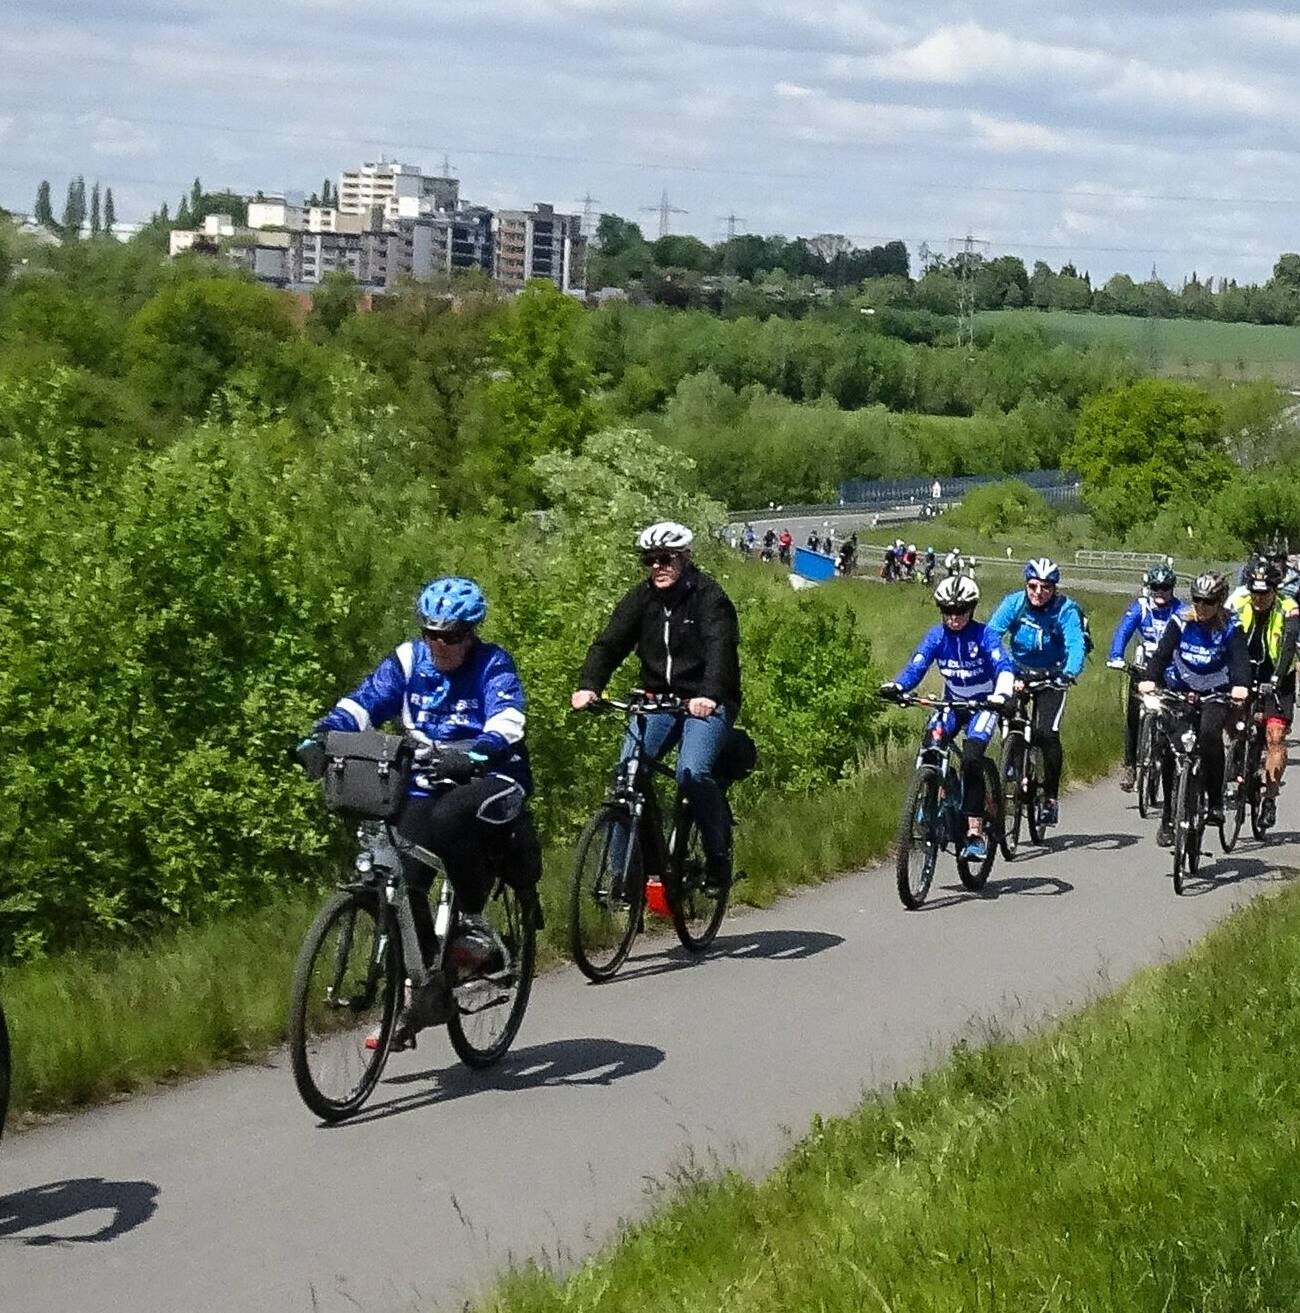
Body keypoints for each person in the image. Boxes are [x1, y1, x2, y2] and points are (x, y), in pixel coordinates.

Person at [301, 576, 541, 1043]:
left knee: (452, 818)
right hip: (427, 779)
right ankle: (428, 989)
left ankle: (474, 923)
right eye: (431, 633)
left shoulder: (493, 663)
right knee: (402, 875)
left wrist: (473, 752)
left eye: (451, 635)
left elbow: (509, 722)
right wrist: (322, 734)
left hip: (492, 775)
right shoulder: (409, 661)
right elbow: (364, 703)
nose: (440, 644)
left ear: (470, 633)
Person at [571, 521, 742, 896]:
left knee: (692, 773)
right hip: (656, 702)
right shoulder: (642, 599)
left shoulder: (709, 598)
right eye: (650, 560)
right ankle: (629, 878)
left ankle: (718, 857)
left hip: (705, 702)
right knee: (626, 777)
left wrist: (709, 694)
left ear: (684, 559)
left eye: (665, 559)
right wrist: (589, 685)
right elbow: (609, 644)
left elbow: (721, 649)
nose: (657, 567)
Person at [879, 576, 1015, 860]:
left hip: (983, 704)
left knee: (971, 758)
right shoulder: (936, 636)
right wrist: (899, 686)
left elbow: (1003, 665)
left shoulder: (984, 635)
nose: (954, 618)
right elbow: (917, 664)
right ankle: (936, 790)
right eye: (947, 611)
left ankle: (975, 831)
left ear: (972, 609)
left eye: (960, 611)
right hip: (952, 702)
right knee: (931, 743)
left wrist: (1002, 693)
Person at [1140, 572, 1249, 846]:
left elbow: (1239, 661)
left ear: (1220, 601)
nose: (1202, 607)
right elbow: (1162, 654)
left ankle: (1215, 803)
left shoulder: (1230, 626)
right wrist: (1150, 679)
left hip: (1215, 692)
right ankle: (1167, 816)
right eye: (1198, 600)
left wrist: (1241, 685)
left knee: (1210, 735)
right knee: (1168, 747)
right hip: (1180, 690)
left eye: (1209, 602)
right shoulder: (1181, 621)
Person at [987, 559, 1088, 827]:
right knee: (1002, 708)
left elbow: (1076, 643)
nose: (1038, 592)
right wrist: (1004, 666)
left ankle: (1050, 799)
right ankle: (1011, 758)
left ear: (1054, 588)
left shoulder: (1065, 610)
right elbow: (991, 635)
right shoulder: (1014, 603)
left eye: (1045, 587)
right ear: (1026, 584)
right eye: (1033, 586)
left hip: (1052, 674)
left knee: (1046, 734)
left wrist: (1068, 672)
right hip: (1018, 670)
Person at [1228, 560, 1299, 829]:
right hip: (1245, 673)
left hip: (1278, 677)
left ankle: (1269, 798)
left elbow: (1289, 646)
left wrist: (1277, 679)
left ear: (1275, 590)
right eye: (1255, 593)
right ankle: (1233, 770)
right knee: (1232, 722)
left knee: (1275, 737)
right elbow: (1226, 639)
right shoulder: (1239, 604)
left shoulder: (1288, 607)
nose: (1259, 599)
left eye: (1265, 593)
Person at [1106, 564, 1180, 792]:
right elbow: (1123, 632)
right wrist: (1116, 656)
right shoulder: (1140, 607)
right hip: (1142, 669)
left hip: (1170, 671)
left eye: (1165, 588)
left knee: (1173, 717)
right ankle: (1130, 766)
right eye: (1156, 587)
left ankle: (1173, 762)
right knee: (1133, 718)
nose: (1160, 592)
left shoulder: (1180, 610)